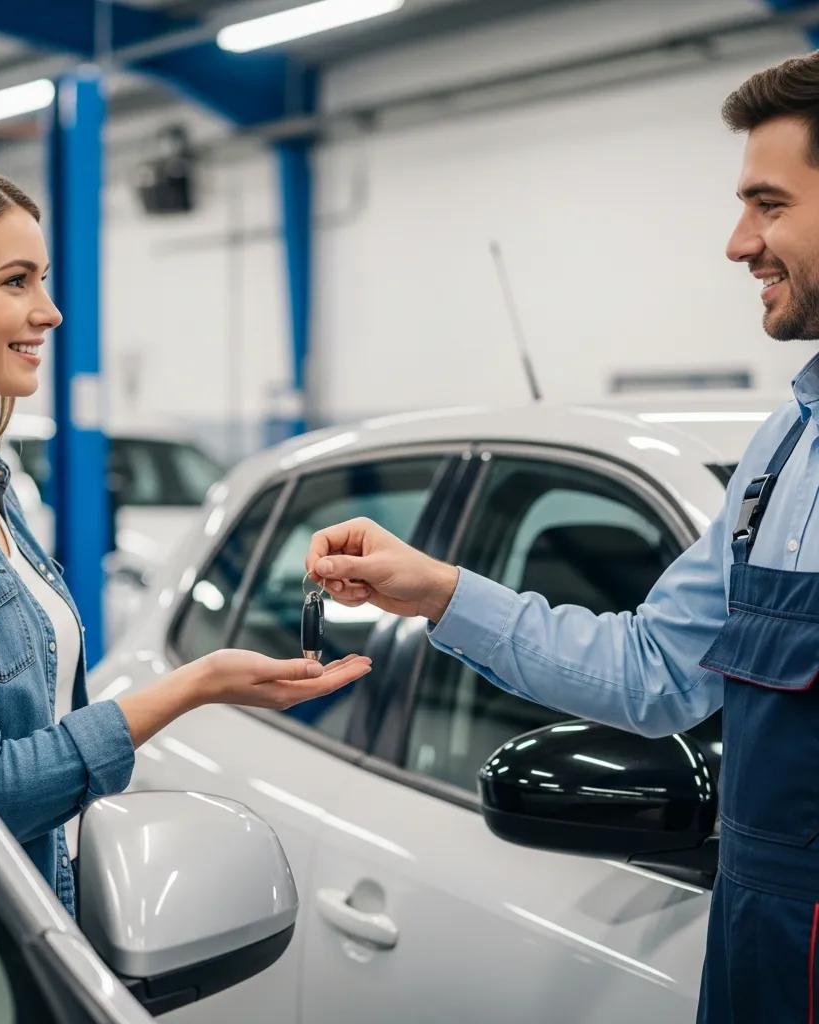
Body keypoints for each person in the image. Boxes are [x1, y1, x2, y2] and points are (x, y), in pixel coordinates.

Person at [306, 52, 819, 1024]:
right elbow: (649, 669)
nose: (735, 242)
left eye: (767, 204)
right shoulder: (781, 452)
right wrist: (435, 591)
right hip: (754, 955)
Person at [0, 156, 371, 918]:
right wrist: (191, 687)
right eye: (15, 281)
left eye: (43, 279)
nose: (51, 311)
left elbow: (40, 725)